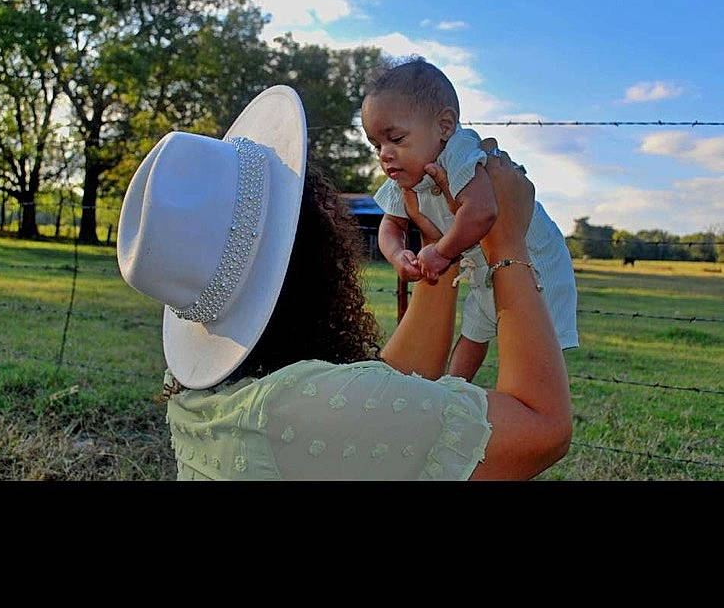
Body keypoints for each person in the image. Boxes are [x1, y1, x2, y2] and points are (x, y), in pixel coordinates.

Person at [116, 84, 572, 481]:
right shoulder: (292, 406)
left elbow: (391, 394)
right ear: (310, 250)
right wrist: (508, 243)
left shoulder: (207, 395)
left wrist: (440, 249)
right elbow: (541, 429)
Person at [360, 56, 578, 381]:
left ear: (444, 125)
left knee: (535, 343)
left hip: (534, 261)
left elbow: (481, 211)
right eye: (376, 144)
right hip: (483, 266)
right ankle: (450, 394)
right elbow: (391, 224)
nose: (384, 154)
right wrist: (396, 254)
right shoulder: (403, 175)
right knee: (474, 333)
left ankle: (531, 407)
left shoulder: (459, 152)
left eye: (397, 139)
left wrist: (440, 252)